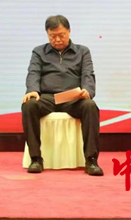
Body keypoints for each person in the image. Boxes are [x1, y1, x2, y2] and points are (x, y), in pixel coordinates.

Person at [21, 15, 103, 176]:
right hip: (47, 98)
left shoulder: (82, 51)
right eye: (52, 36)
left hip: (73, 99)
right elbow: (33, 72)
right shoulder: (39, 51)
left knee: (90, 106)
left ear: (69, 31)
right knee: (29, 104)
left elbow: (88, 74)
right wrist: (32, 90)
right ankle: (36, 159)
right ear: (47, 34)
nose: (57, 40)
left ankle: (91, 160)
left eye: (61, 35)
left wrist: (87, 91)